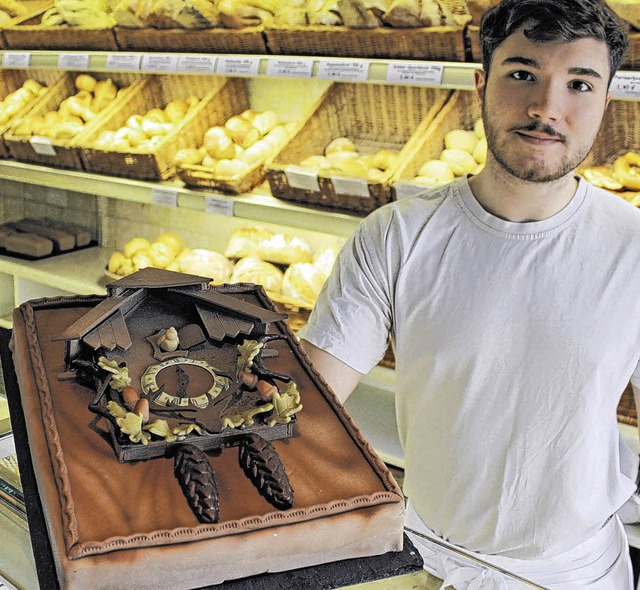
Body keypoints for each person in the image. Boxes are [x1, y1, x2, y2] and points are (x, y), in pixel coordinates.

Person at [298, 0, 639, 588]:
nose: (545, 108)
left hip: (579, 571)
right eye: (522, 74)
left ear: (606, 102)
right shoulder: (397, 236)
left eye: (579, 83)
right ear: (481, 84)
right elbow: (306, 399)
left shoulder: (632, 248)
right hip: (430, 558)